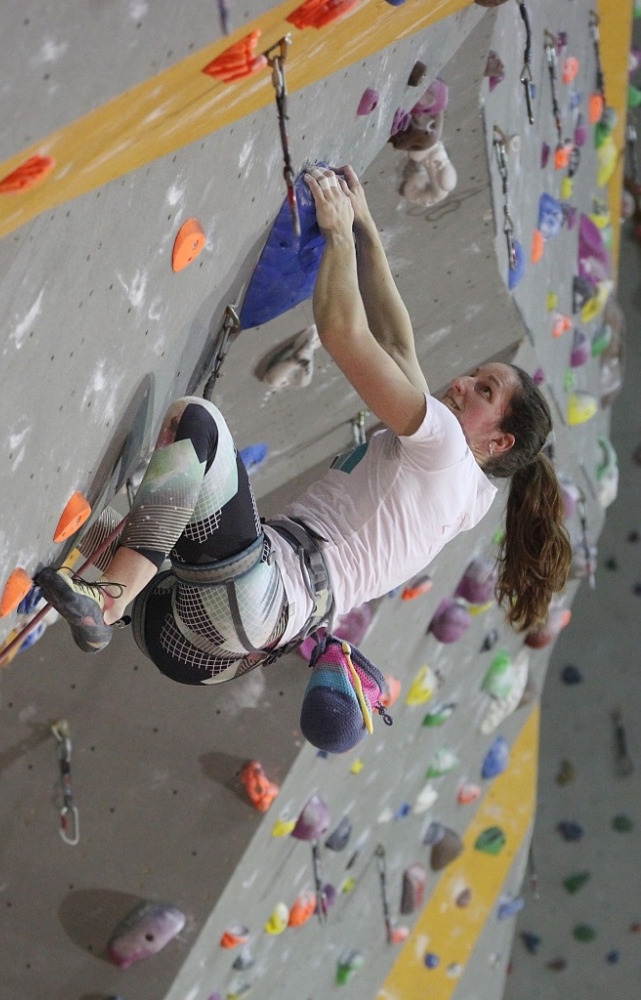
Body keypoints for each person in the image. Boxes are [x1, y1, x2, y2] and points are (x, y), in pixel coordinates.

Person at [36, 165, 571, 750]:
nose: (463, 383)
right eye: (475, 374)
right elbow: (398, 344)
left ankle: (108, 601)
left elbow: (342, 331)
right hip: (205, 645)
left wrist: (339, 233)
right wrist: (366, 227)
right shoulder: (466, 495)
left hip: (256, 595)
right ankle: (105, 594)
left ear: (499, 442)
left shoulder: (444, 447)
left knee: (196, 425)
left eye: (484, 391)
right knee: (108, 531)